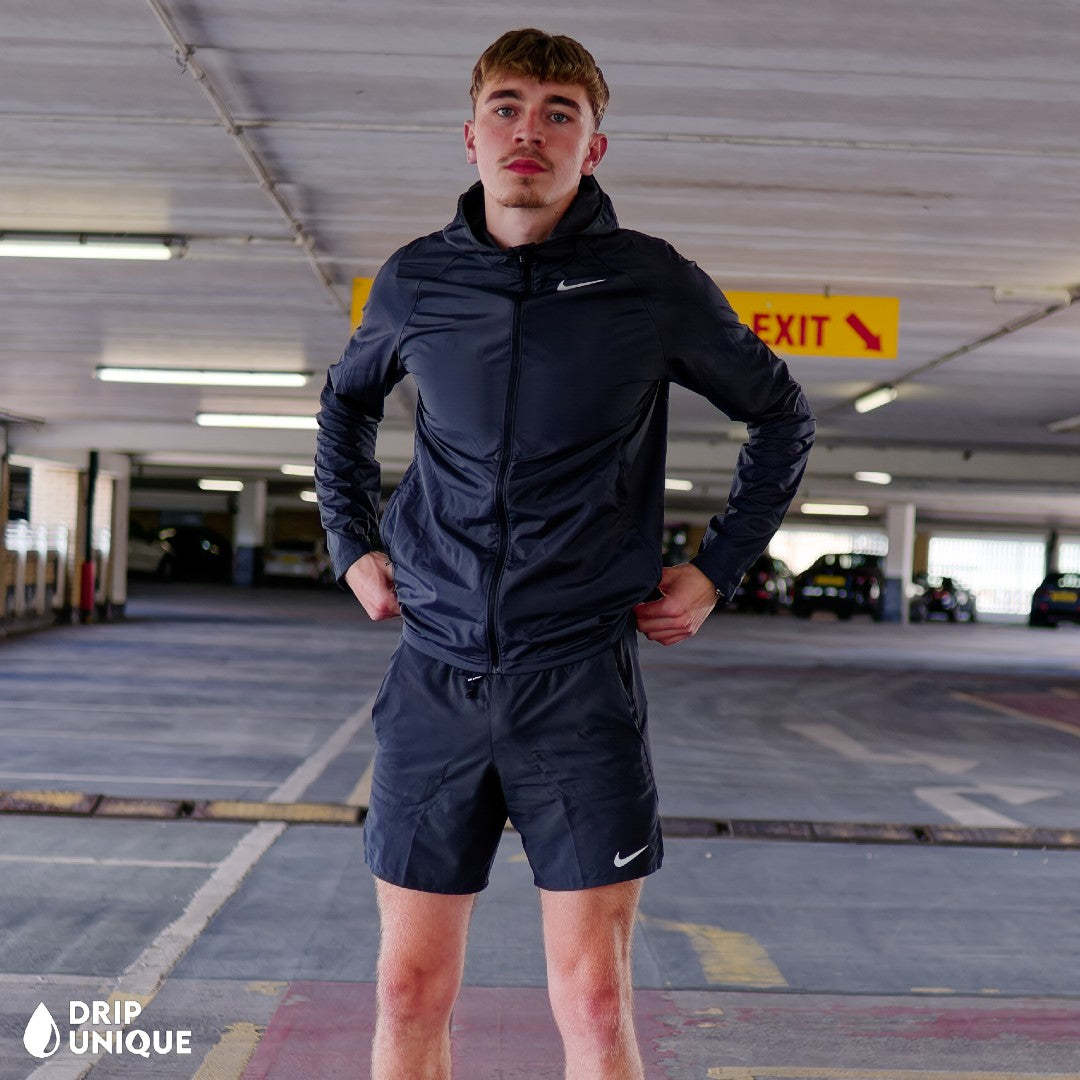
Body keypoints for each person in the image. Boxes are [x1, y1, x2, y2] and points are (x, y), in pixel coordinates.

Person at [314, 27, 815, 1080]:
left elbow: (780, 415)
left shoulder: (651, 284)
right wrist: (350, 540)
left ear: (593, 146)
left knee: (591, 998)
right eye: (506, 108)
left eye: (557, 114)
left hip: (577, 683)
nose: (527, 132)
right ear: (470, 136)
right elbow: (346, 402)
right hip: (435, 679)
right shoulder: (417, 281)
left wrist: (717, 569)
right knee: (406, 991)